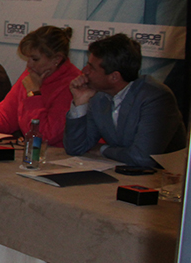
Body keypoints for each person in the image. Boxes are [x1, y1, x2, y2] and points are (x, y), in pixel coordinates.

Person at [64, 34, 187, 167]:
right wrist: (80, 103)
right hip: (124, 172)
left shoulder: (156, 98)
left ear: (114, 77)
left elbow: (143, 158)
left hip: (164, 175)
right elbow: (75, 148)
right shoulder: (99, 97)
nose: (84, 71)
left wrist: (103, 149)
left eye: (92, 68)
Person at [0, 25, 80, 145]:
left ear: (56, 59)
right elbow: (6, 115)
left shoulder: (71, 85)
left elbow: (45, 135)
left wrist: (33, 94)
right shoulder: (31, 74)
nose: (29, 65)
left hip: (57, 154)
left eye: (35, 59)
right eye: (28, 58)